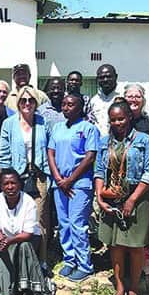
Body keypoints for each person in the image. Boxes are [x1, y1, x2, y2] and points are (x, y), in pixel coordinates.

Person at [94, 100, 149, 295]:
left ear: (129, 117)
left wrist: (131, 199)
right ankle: (119, 287)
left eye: (121, 118)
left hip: (137, 197)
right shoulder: (104, 142)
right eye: (113, 119)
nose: (117, 122)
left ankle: (134, 289)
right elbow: (99, 171)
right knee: (116, 245)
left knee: (135, 246)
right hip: (112, 198)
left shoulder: (144, 140)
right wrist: (99, 196)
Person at [47, 93, 100, 282]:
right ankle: (69, 260)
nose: (66, 107)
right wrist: (59, 178)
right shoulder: (58, 128)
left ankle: (84, 264)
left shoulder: (88, 128)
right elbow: (51, 153)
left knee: (78, 224)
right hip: (59, 184)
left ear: (80, 108)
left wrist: (70, 180)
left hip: (79, 184)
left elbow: (90, 156)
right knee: (64, 224)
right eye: (64, 104)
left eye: (71, 104)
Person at [0, 86, 51, 265]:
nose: (27, 103)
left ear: (36, 102)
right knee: (18, 219)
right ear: (18, 103)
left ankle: (41, 260)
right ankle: (20, 260)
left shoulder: (43, 122)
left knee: (39, 219)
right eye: (23, 100)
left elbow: (50, 150)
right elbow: (4, 154)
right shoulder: (9, 124)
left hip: (39, 177)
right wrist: (6, 179)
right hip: (17, 178)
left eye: (31, 100)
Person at [0, 168, 54, 295]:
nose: (10, 187)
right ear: (0, 186)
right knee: (2, 280)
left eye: (13, 183)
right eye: (5, 184)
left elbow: (27, 234)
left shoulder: (29, 202)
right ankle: (15, 286)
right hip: (6, 240)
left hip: (28, 239)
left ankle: (28, 289)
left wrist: (9, 241)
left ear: (20, 184)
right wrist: (1, 241)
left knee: (24, 247)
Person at [123, 84, 149, 279]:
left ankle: (147, 267)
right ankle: (128, 263)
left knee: (147, 223)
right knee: (128, 221)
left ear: (143, 99)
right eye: (130, 96)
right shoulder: (120, 121)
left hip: (148, 181)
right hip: (124, 181)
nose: (133, 99)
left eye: (137, 96)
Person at [87, 64, 120, 137]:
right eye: (102, 77)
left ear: (116, 77)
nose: (105, 80)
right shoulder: (93, 100)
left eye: (108, 76)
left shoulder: (123, 97)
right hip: (97, 144)